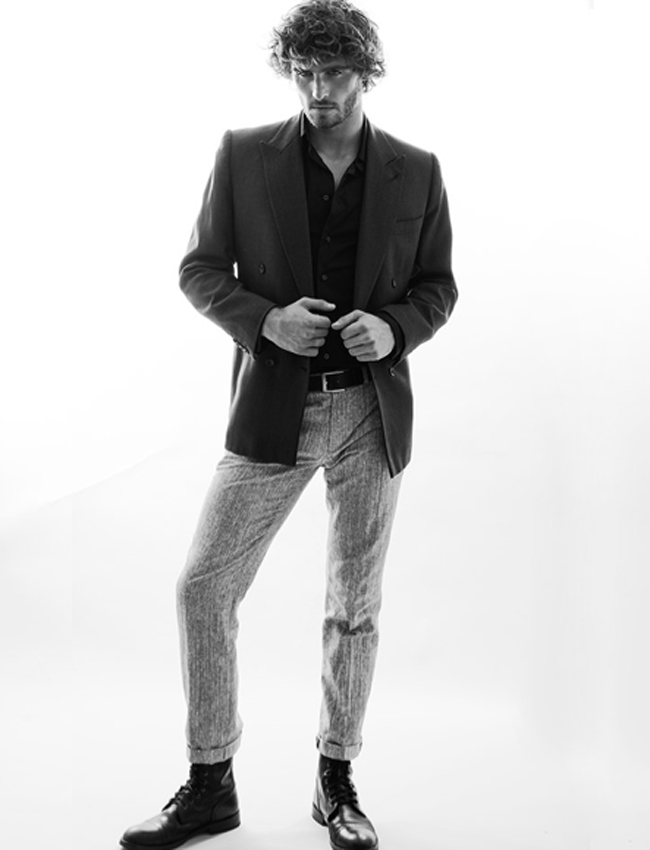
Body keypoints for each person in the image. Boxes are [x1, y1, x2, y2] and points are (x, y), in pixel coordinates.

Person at [119, 1, 457, 848]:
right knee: (204, 587)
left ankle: (336, 781)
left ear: (365, 73)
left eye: (334, 72)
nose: (317, 90)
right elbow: (200, 269)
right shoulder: (243, 155)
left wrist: (397, 329)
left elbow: (438, 287)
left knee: (355, 605)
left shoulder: (417, 170)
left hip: (370, 414)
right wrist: (264, 321)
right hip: (275, 408)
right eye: (303, 73)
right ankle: (210, 783)